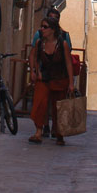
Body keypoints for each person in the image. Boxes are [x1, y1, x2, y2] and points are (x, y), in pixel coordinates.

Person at [28, 16, 74, 145]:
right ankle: (38, 131)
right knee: (40, 103)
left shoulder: (62, 44)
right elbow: (35, 57)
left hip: (59, 78)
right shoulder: (40, 43)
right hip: (44, 78)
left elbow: (68, 63)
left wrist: (71, 83)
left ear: (53, 29)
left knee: (57, 107)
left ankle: (59, 133)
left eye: (45, 27)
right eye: (41, 26)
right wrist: (36, 71)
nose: (42, 29)